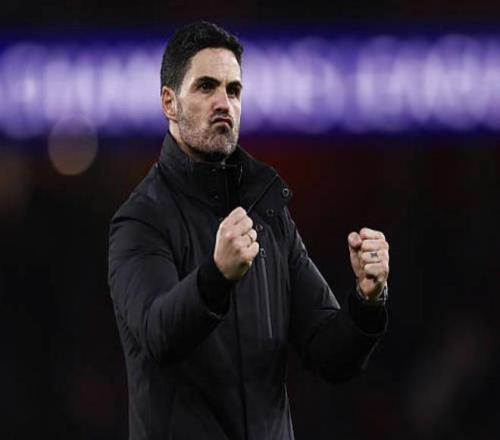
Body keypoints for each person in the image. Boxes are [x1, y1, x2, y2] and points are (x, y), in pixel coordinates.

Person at [108, 21, 390, 440]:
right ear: (169, 103)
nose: (224, 103)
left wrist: (367, 300)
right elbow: (157, 335)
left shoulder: (267, 211)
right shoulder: (140, 220)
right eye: (206, 87)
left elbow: (330, 355)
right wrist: (216, 277)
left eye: (234, 90)